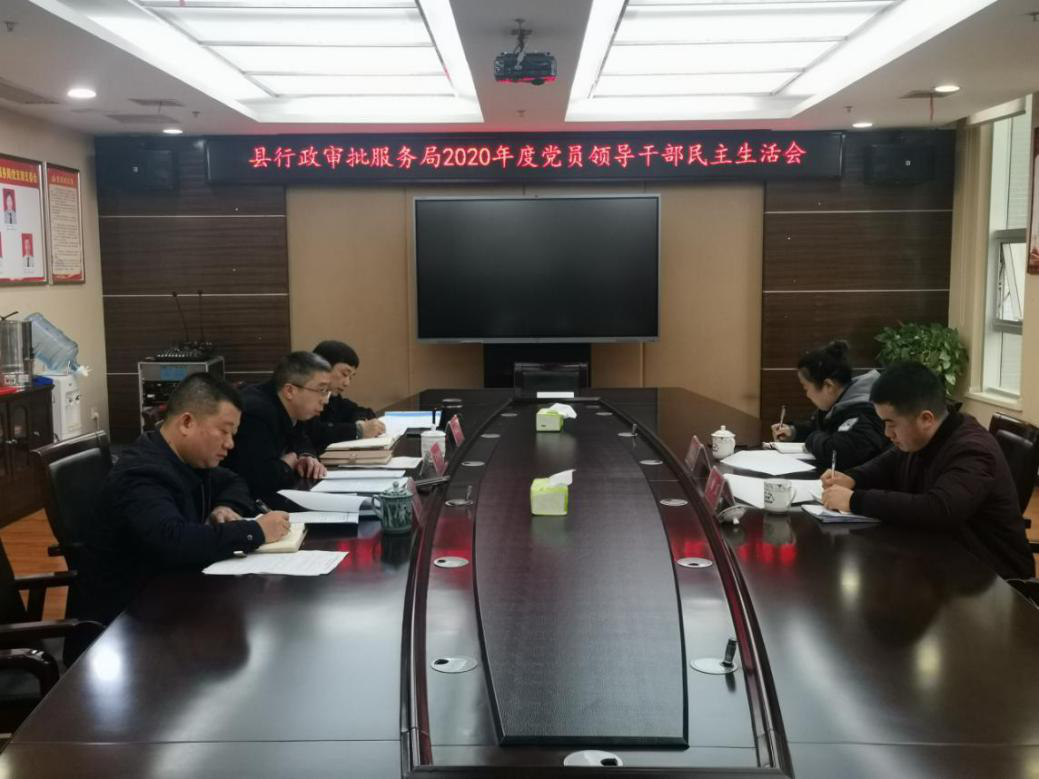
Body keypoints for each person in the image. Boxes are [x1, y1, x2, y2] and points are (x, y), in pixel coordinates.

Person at [81, 373, 291, 625]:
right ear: (187, 423)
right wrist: (255, 531)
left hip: (170, 599)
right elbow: (173, 539)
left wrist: (225, 506)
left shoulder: (185, 459)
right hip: (128, 621)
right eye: (224, 431)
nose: (230, 444)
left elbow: (234, 481)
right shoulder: (141, 473)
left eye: (233, 434)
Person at [822, 361, 1033, 579]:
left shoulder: (974, 450)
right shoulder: (925, 436)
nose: (887, 433)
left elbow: (939, 509)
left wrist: (855, 500)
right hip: (943, 559)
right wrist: (852, 478)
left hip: (993, 576)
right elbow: (890, 462)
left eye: (891, 423)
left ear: (926, 419)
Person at [223, 351, 330, 508]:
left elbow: (302, 439)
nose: (325, 400)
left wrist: (306, 457)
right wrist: (288, 464)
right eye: (322, 390)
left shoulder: (294, 409)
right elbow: (261, 480)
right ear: (290, 391)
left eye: (327, 391)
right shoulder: (256, 413)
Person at [772, 340, 888, 470]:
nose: (807, 395)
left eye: (806, 388)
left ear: (828, 386)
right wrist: (793, 432)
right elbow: (820, 430)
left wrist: (812, 438)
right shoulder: (838, 405)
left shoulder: (863, 412)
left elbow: (838, 452)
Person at [305, 340, 385, 452]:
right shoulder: (305, 394)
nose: (347, 383)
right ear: (323, 367)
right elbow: (314, 432)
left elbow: (360, 410)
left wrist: (360, 422)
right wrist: (358, 430)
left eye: (351, 377)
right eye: (344, 374)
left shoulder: (332, 396)